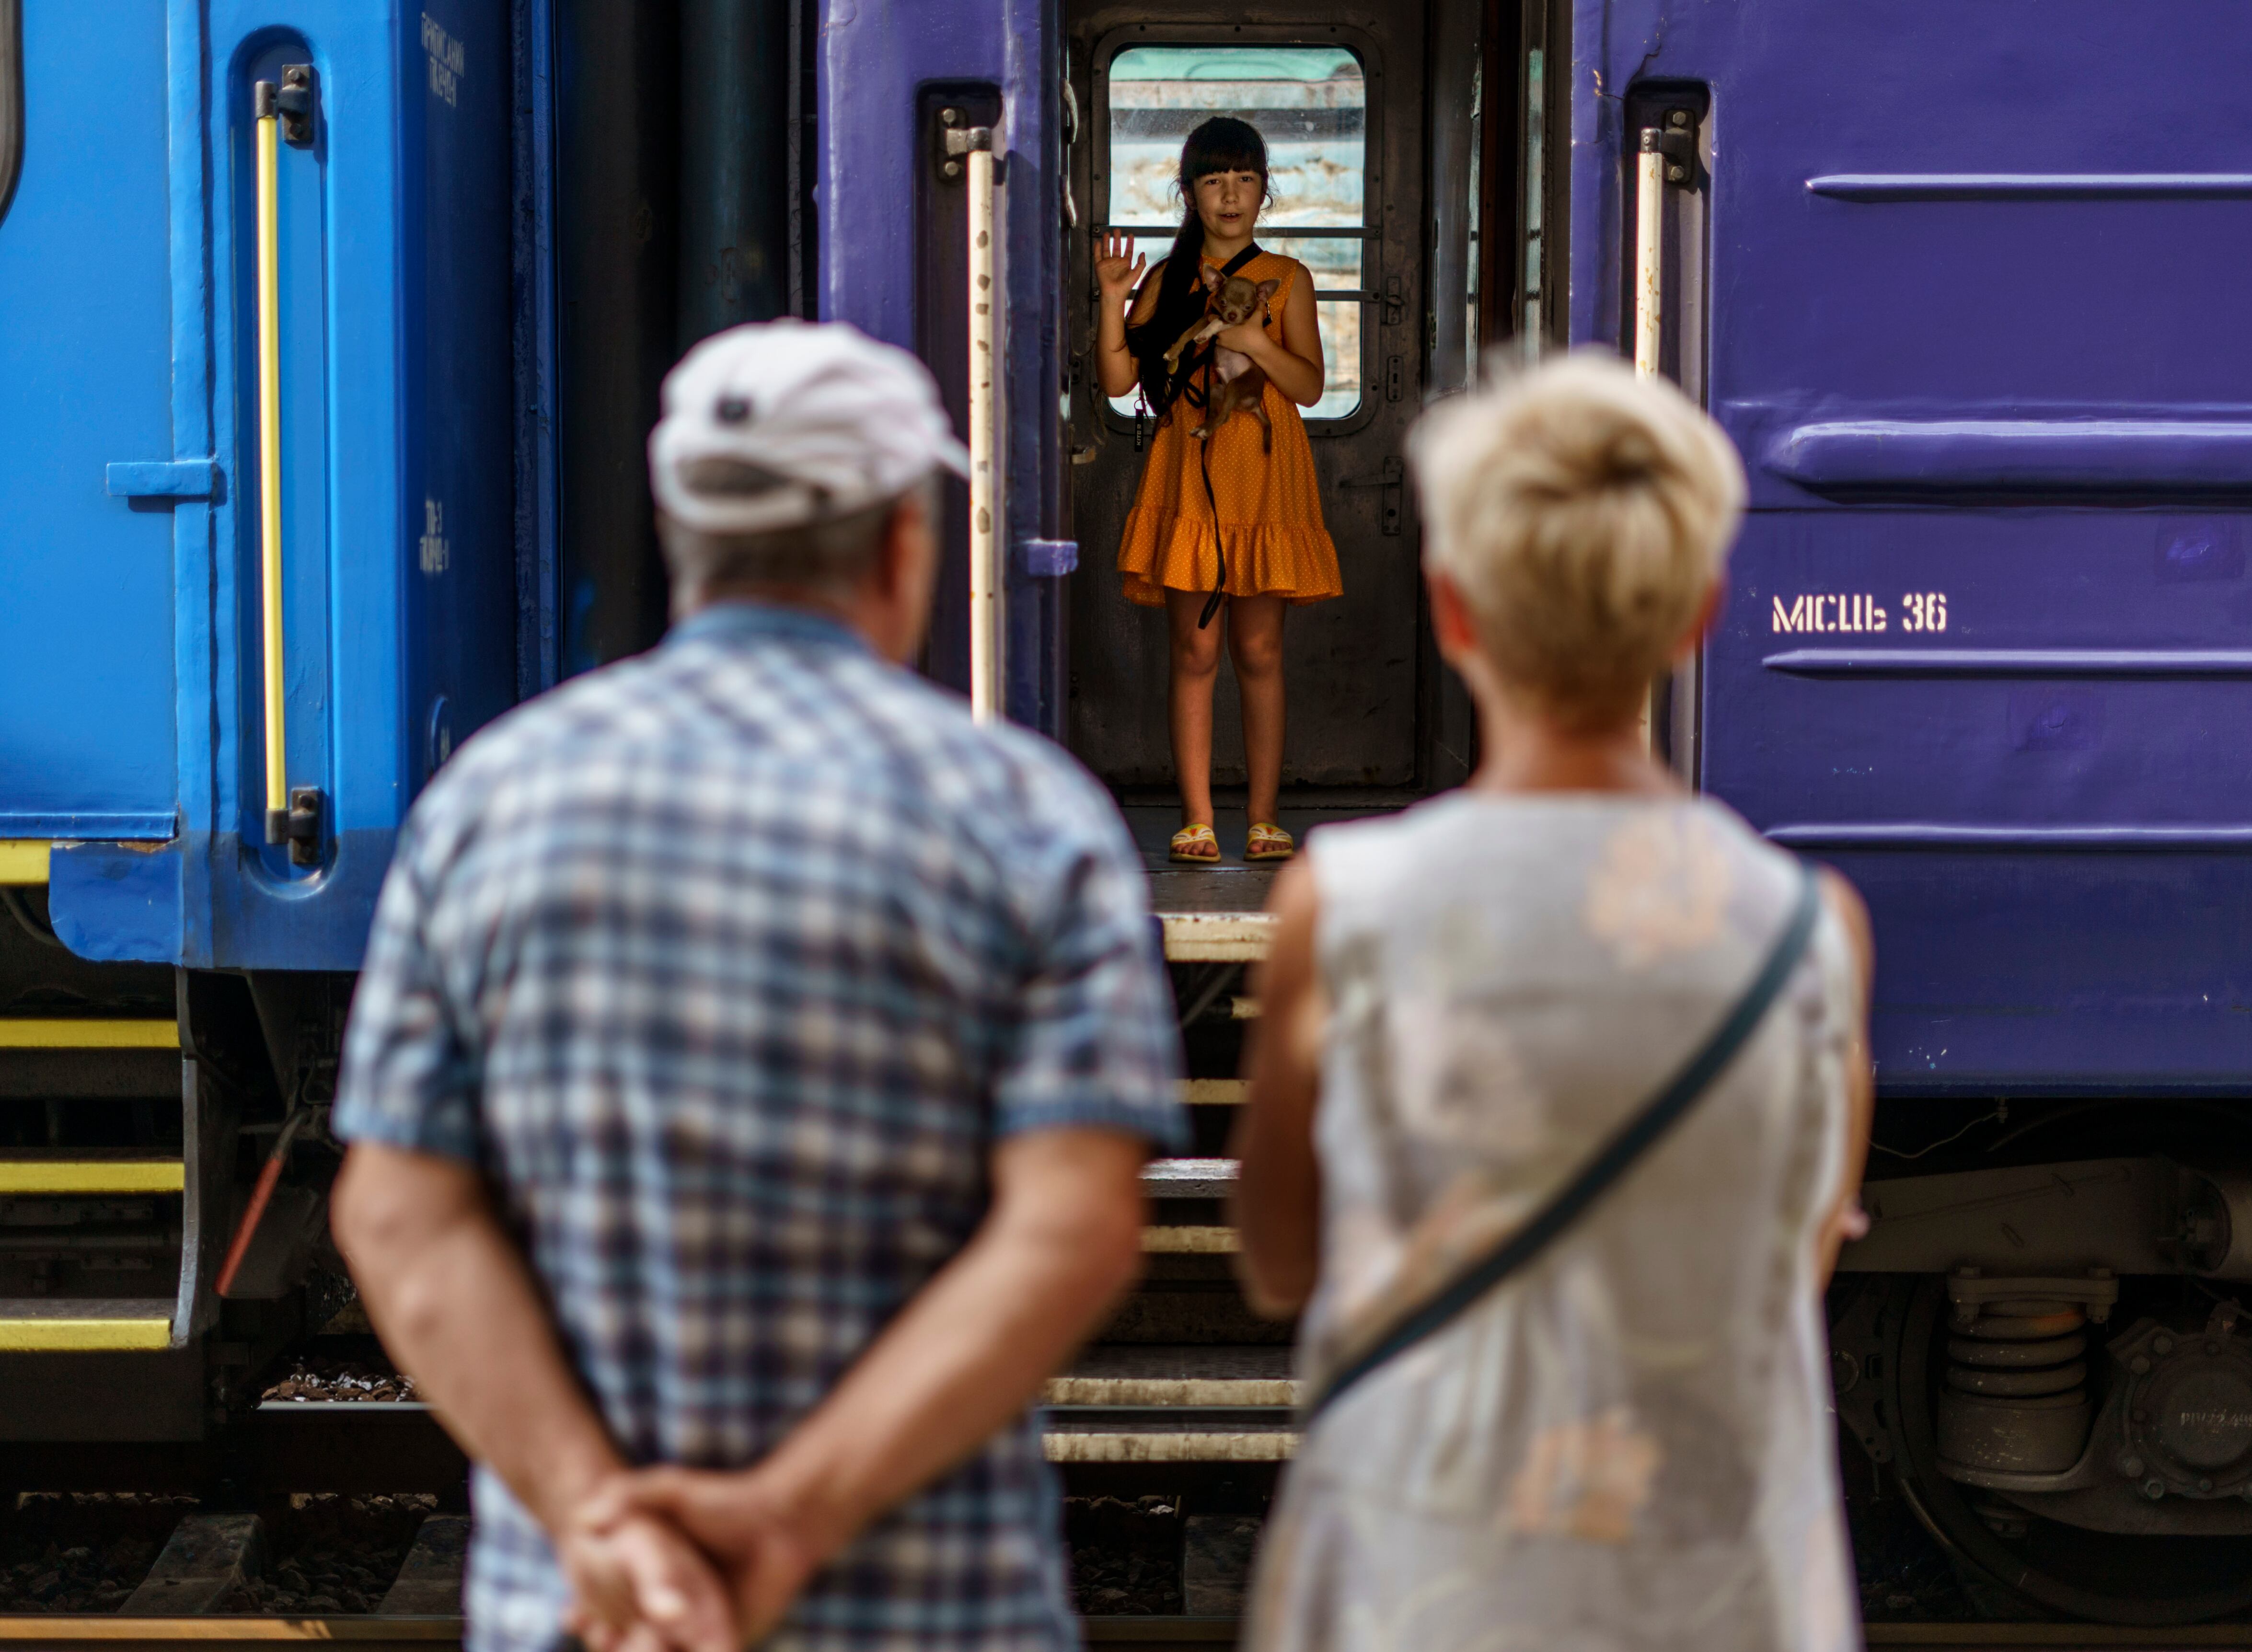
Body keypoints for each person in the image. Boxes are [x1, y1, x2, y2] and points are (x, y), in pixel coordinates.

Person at [328, 321, 1188, 1652]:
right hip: (927, 1615)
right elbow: (1071, 1234)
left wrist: (596, 1515)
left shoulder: (490, 802)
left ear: (683, 533)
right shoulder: (1027, 818)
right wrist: (788, 1517)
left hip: (591, 1612)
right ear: (905, 542)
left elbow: (397, 1216)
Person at [1229, 353, 1877, 1652]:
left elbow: (1280, 1264)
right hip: (1714, 1581)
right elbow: (1787, 1269)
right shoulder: (1811, 935)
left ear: (1454, 611)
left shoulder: (1345, 906)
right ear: (1701, 616)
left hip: (1426, 1572)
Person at [1094, 116, 1340, 867]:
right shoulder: (1167, 280)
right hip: (1189, 475)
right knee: (1194, 651)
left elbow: (1308, 386)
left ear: (1265, 191)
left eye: (1243, 179)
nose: (1229, 196)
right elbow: (1118, 383)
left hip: (1265, 477)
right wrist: (1111, 300)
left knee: (1260, 650)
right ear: (1190, 193)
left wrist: (1257, 341)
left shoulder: (1289, 279)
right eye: (1213, 180)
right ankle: (1197, 820)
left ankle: (1264, 818)